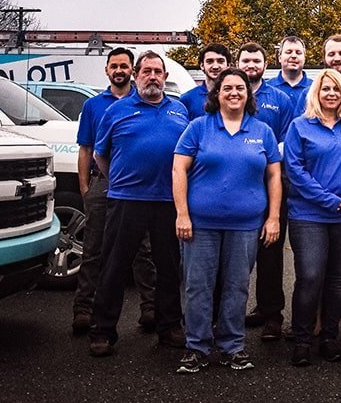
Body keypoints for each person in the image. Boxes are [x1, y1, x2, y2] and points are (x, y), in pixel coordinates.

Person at [172, 68, 282, 373]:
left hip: (246, 225)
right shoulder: (198, 127)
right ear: (217, 94)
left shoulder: (262, 131)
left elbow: (274, 176)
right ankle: (197, 347)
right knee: (198, 287)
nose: (234, 93)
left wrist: (273, 217)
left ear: (248, 95)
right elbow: (178, 169)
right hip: (201, 225)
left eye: (240, 88)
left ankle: (232, 346)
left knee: (237, 287)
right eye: (228, 88)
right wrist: (182, 213)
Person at [88, 51, 189, 358]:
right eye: (146, 71)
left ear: (165, 77)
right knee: (114, 267)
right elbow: (100, 155)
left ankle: (169, 327)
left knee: (169, 268)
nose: (152, 77)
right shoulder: (117, 111)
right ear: (136, 76)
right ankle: (102, 331)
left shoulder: (180, 110)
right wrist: (121, 180)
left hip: (167, 201)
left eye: (158, 72)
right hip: (126, 200)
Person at [283, 69, 341, 366]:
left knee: (337, 279)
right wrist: (330, 200)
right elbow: (295, 170)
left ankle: (329, 338)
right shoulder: (300, 126)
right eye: (326, 89)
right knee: (310, 277)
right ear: (316, 93)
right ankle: (302, 340)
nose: (331, 94)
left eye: (337, 89)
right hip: (309, 215)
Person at [71, 48, 156, 336]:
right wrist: (85, 188)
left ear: (133, 70)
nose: (119, 70)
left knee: (143, 249)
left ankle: (150, 307)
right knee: (93, 249)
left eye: (124, 66)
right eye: (114, 66)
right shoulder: (94, 105)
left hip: (135, 188)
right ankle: (83, 309)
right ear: (107, 70)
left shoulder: (145, 100)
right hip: (102, 184)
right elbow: (86, 150)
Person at [236, 42, 295, 340]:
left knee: (270, 251)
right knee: (235, 252)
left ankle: (271, 314)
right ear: (238, 63)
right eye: (245, 60)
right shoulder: (231, 94)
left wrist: (262, 156)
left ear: (265, 63)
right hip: (237, 186)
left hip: (272, 183)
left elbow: (288, 139)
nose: (251, 65)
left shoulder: (280, 98)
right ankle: (229, 314)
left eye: (256, 60)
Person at [181, 43, 231, 120]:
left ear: (228, 65)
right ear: (202, 65)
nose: (215, 66)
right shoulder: (187, 99)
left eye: (220, 61)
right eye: (210, 61)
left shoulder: (236, 96)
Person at [269, 35, 312, 111]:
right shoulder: (267, 88)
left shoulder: (315, 88)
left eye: (298, 53)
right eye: (288, 52)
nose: (294, 56)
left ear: (304, 58)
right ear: (280, 58)